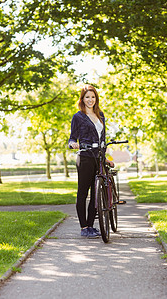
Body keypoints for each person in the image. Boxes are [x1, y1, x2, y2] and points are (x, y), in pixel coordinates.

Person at [69, 85, 114, 238]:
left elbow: (103, 140)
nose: (90, 100)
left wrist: (105, 158)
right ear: (82, 99)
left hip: (98, 158)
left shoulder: (100, 115)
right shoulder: (78, 116)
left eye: (93, 97)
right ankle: (84, 227)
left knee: (96, 193)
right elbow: (72, 137)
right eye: (87, 97)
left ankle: (91, 226)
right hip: (85, 157)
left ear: (96, 98)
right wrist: (72, 144)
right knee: (83, 192)